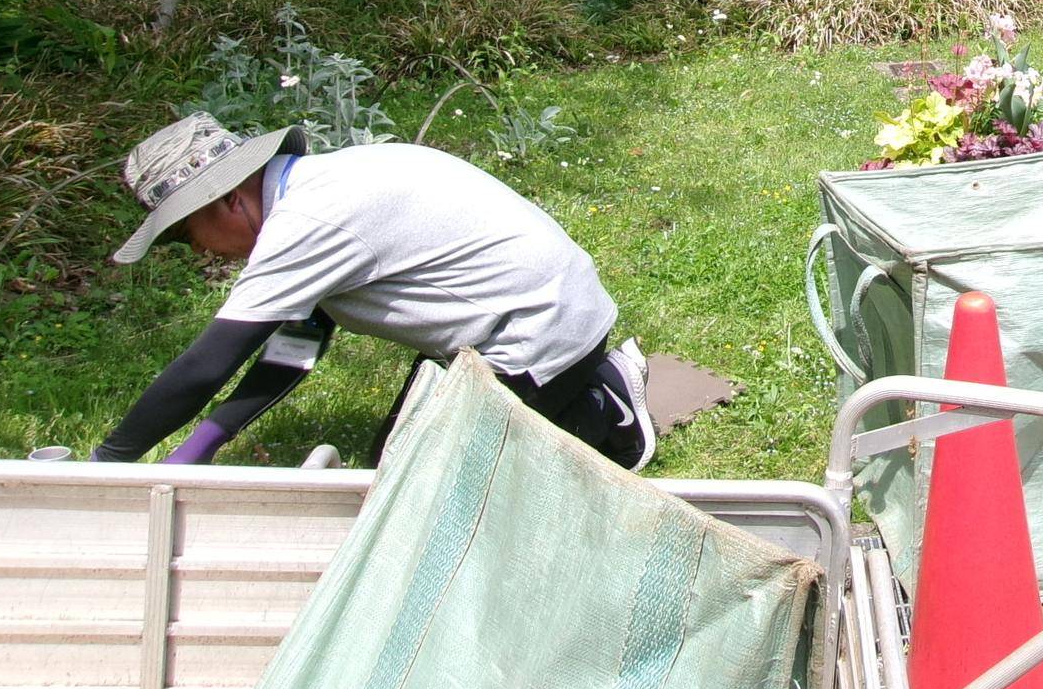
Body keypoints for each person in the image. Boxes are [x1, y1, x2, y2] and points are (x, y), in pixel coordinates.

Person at [92, 114, 657, 470]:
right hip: (550, 315)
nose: (197, 251)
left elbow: (204, 367)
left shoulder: (307, 222)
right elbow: (295, 350)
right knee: (399, 459)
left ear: (230, 201)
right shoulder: (318, 186)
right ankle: (581, 391)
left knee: (406, 488)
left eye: (187, 233)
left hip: (537, 337)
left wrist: (108, 462)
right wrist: (208, 439)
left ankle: (600, 416)